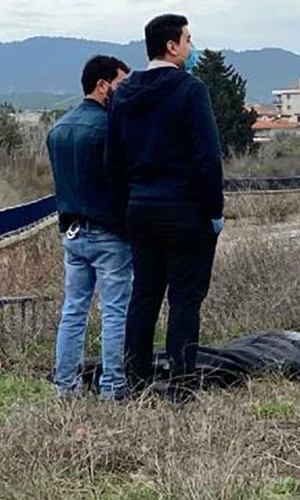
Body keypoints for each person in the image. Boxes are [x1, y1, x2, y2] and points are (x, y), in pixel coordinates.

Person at [106, 14, 224, 404]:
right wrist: (214, 210)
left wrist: (127, 205)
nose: (192, 48)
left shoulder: (123, 95)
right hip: (186, 210)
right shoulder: (191, 91)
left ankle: (136, 381)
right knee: (185, 300)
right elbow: (208, 157)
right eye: (188, 41)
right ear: (172, 46)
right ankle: (182, 384)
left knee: (144, 296)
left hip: (140, 209)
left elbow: (113, 160)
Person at [47, 55, 133, 400]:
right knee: (114, 311)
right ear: (103, 85)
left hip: (72, 232)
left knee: (74, 310)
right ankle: (113, 386)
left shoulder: (58, 130)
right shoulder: (111, 128)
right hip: (109, 232)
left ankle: (65, 386)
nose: (124, 91)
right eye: (121, 84)